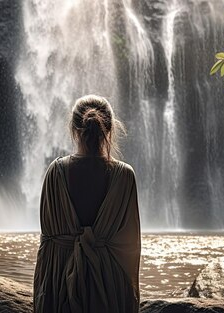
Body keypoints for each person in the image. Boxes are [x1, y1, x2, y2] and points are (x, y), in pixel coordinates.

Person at [33, 95, 141, 313]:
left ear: (74, 130)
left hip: (60, 281)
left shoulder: (56, 172)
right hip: (109, 286)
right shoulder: (125, 176)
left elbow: (47, 245)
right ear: (110, 130)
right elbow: (131, 249)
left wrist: (44, 296)